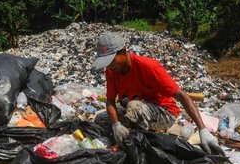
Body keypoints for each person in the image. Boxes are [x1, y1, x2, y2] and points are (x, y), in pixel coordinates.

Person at [93, 31, 225, 156]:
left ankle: (135, 145)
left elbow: (181, 95)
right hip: (139, 110)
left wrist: (203, 130)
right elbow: (110, 101)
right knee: (101, 120)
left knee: (133, 107)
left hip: (164, 112)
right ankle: (129, 135)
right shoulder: (112, 71)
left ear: (122, 51)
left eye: (111, 60)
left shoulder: (148, 67)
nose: (109, 65)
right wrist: (116, 125)